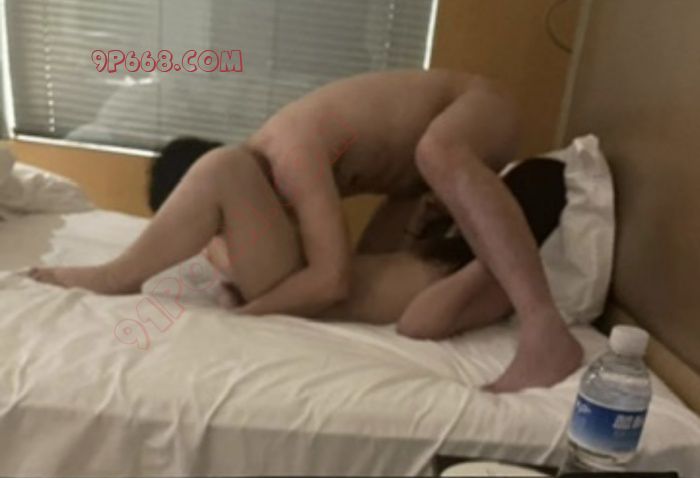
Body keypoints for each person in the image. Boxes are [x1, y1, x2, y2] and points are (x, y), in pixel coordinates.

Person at [30, 69, 582, 392]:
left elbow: (332, 280)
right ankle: (123, 273)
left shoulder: (288, 152)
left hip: (478, 105)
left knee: (434, 153)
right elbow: (361, 267)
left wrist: (248, 316)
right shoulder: (301, 163)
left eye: (221, 225)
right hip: (430, 175)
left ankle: (544, 327)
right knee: (412, 183)